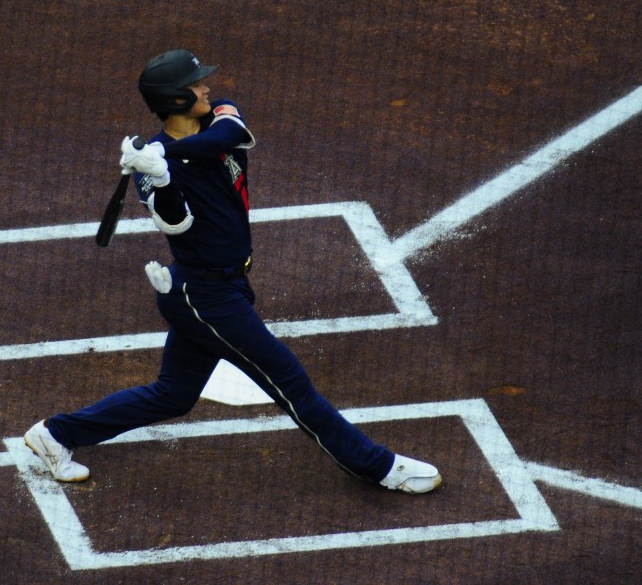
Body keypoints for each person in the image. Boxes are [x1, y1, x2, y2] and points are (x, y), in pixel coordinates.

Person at [25, 49, 442, 494]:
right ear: (176, 98)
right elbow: (175, 223)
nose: (207, 88)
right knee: (290, 384)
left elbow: (231, 133)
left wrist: (168, 149)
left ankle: (55, 434)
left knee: (174, 394)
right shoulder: (151, 171)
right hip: (205, 296)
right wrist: (163, 178)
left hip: (227, 286)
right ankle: (377, 467)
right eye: (196, 85)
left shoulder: (216, 122)